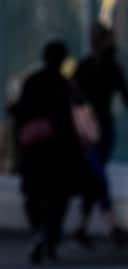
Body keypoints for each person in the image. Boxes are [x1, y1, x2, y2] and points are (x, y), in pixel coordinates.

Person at [8, 40, 85, 263]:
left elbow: (21, 111)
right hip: (59, 153)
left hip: (34, 152)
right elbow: (74, 118)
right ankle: (50, 238)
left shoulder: (33, 82)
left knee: (34, 196)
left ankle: (38, 233)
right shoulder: (65, 85)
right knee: (57, 198)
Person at [72, 22, 128, 247]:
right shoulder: (106, 67)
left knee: (94, 177)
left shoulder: (88, 67)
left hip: (91, 129)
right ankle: (111, 225)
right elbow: (125, 95)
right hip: (95, 129)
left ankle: (83, 227)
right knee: (97, 176)